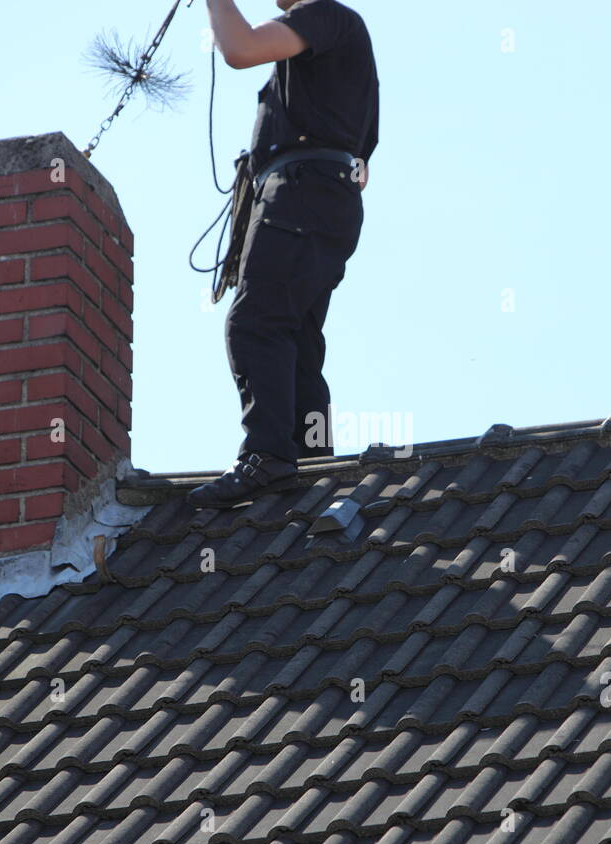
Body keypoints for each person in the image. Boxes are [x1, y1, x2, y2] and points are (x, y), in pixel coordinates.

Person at [189, 0, 379, 508]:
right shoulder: (341, 46)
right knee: (295, 335)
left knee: (256, 323)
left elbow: (240, 49)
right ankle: (311, 458)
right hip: (324, 197)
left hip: (300, 194)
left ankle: (267, 456)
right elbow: (364, 159)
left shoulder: (325, 15)